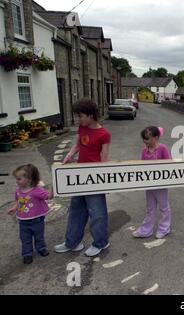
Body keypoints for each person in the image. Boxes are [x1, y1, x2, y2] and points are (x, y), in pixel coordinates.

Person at [54, 99, 112, 257]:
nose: (79, 119)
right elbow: (78, 144)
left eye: (81, 116)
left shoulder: (104, 134)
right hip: (79, 175)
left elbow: (104, 158)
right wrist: (69, 155)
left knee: (97, 213)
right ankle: (72, 243)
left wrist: (104, 182)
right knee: (76, 210)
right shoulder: (82, 127)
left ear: (91, 115)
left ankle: (101, 242)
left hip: (94, 178)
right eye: (78, 116)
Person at [7, 164, 53, 264]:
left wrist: (54, 187)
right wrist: (14, 208)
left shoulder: (36, 190)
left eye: (19, 179)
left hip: (37, 220)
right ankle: (27, 254)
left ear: (29, 179)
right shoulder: (18, 190)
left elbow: (48, 196)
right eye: (16, 178)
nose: (16, 181)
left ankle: (41, 248)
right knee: (25, 238)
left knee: (39, 236)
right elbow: (19, 201)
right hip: (23, 221)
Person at [132, 126, 172, 239]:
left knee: (164, 207)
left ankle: (164, 228)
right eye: (144, 139)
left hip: (160, 184)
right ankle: (146, 230)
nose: (145, 141)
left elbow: (169, 165)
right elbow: (141, 166)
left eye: (147, 139)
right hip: (149, 184)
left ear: (156, 138)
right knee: (150, 208)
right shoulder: (144, 150)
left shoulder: (162, 148)